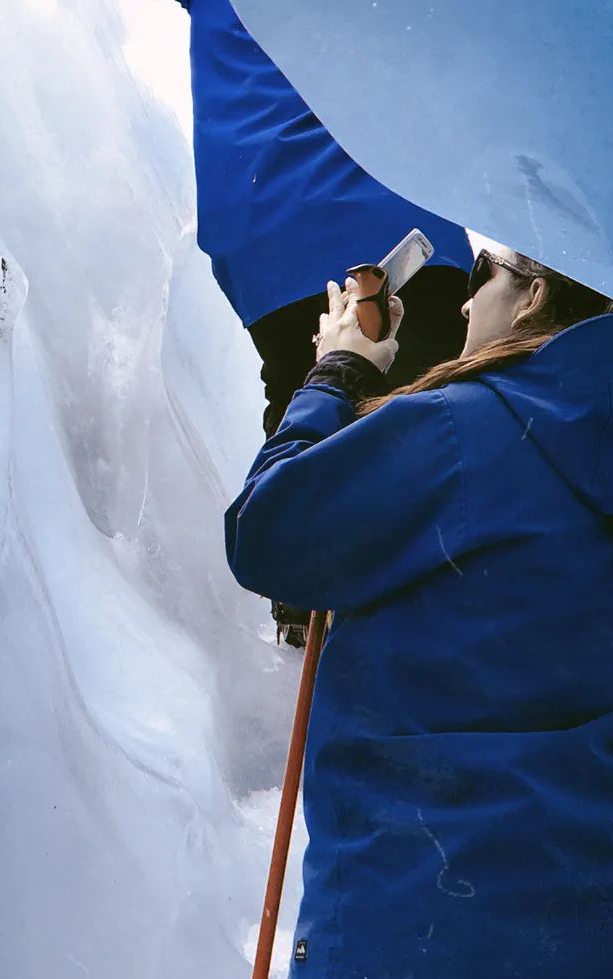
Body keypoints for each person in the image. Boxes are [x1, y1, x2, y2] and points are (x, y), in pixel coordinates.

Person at [225, 249, 613, 979]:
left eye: (483, 277)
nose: (463, 310)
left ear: (536, 294)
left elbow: (271, 533)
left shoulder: (466, 428)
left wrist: (337, 374)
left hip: (402, 968)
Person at [174, 0, 473, 644]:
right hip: (385, 202)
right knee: (435, 416)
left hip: (262, 212)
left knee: (305, 382)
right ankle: (401, 623)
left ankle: (307, 606)